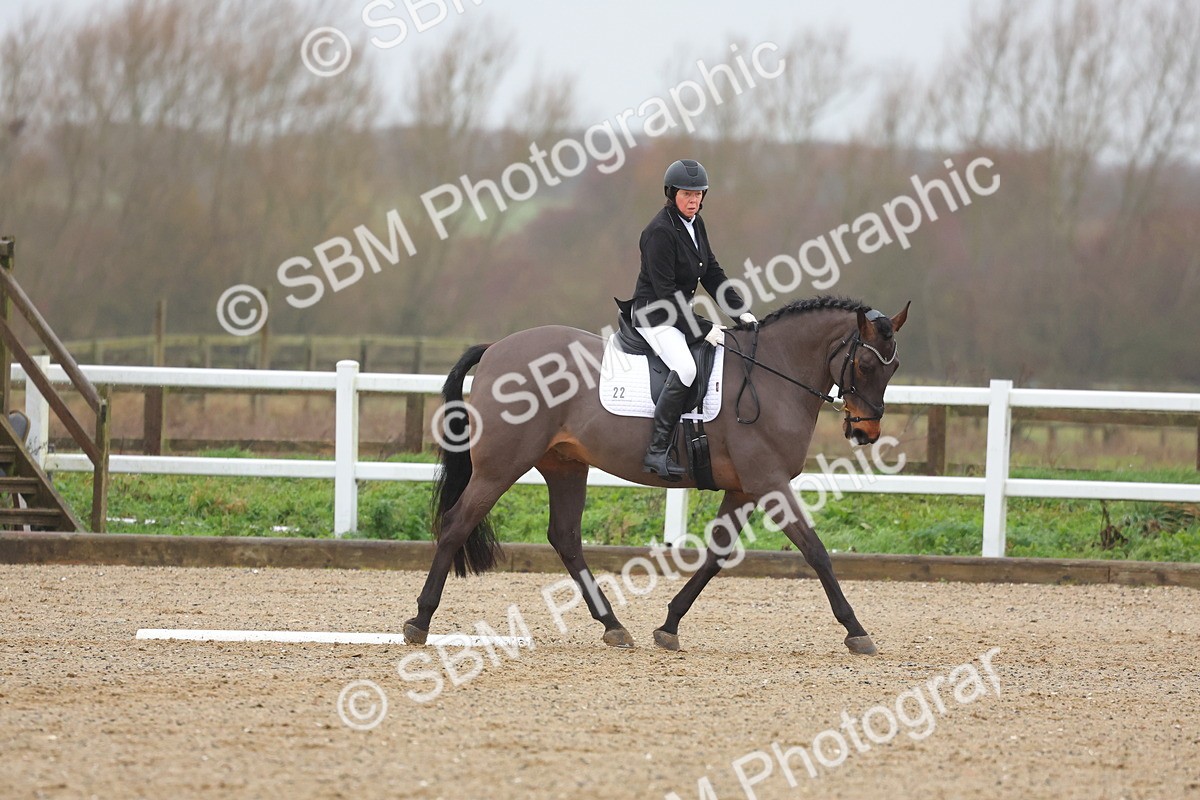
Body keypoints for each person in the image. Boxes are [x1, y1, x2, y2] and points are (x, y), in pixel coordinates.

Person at [629, 159, 756, 481]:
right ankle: (656, 450)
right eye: (687, 194)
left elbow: (712, 273)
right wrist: (703, 328)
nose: (694, 200)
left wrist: (741, 313)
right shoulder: (658, 232)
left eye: (699, 194)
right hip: (655, 315)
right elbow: (666, 292)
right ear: (672, 194)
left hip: (677, 314)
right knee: (685, 368)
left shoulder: (695, 224)